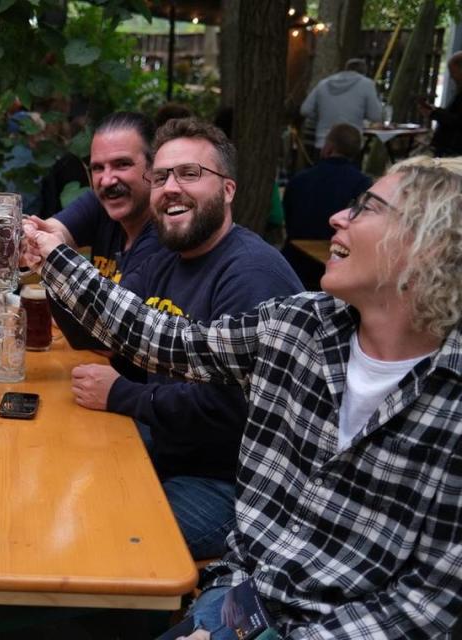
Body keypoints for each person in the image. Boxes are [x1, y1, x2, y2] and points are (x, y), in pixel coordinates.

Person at [26, 153, 462, 638]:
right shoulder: (302, 325)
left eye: (367, 208)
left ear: (428, 247)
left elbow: (427, 604)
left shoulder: (452, 398)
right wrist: (55, 256)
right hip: (244, 598)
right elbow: (165, 339)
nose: (337, 217)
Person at [29, 117, 303, 559]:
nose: (171, 187)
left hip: (229, 483)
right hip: (167, 446)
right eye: (161, 177)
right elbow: (110, 334)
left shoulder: (251, 274)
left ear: (228, 189)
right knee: (46, 475)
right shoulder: (170, 258)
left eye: (190, 174)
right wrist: (47, 267)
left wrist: (123, 397)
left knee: (95, 535)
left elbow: (227, 410)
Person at [36, 112, 160, 351]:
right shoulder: (104, 204)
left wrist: (49, 255)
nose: (107, 180)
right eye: (97, 168)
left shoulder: (164, 232)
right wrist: (29, 232)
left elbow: (110, 333)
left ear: (155, 167)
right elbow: (52, 231)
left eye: (122, 164)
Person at [282, 123, 372, 288]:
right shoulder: (363, 185)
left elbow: (288, 218)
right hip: (335, 265)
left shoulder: (300, 179)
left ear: (328, 147)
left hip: (293, 263)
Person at [301, 58, 384, 152]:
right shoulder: (366, 84)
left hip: (324, 143)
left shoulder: (324, 83)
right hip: (350, 145)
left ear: (346, 69)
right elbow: (375, 116)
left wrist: (320, 116)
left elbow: (305, 110)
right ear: (364, 72)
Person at [419, 50, 462, 157]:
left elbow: (458, 121)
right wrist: (436, 111)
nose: (452, 77)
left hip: (454, 150)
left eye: (453, 72)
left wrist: (435, 113)